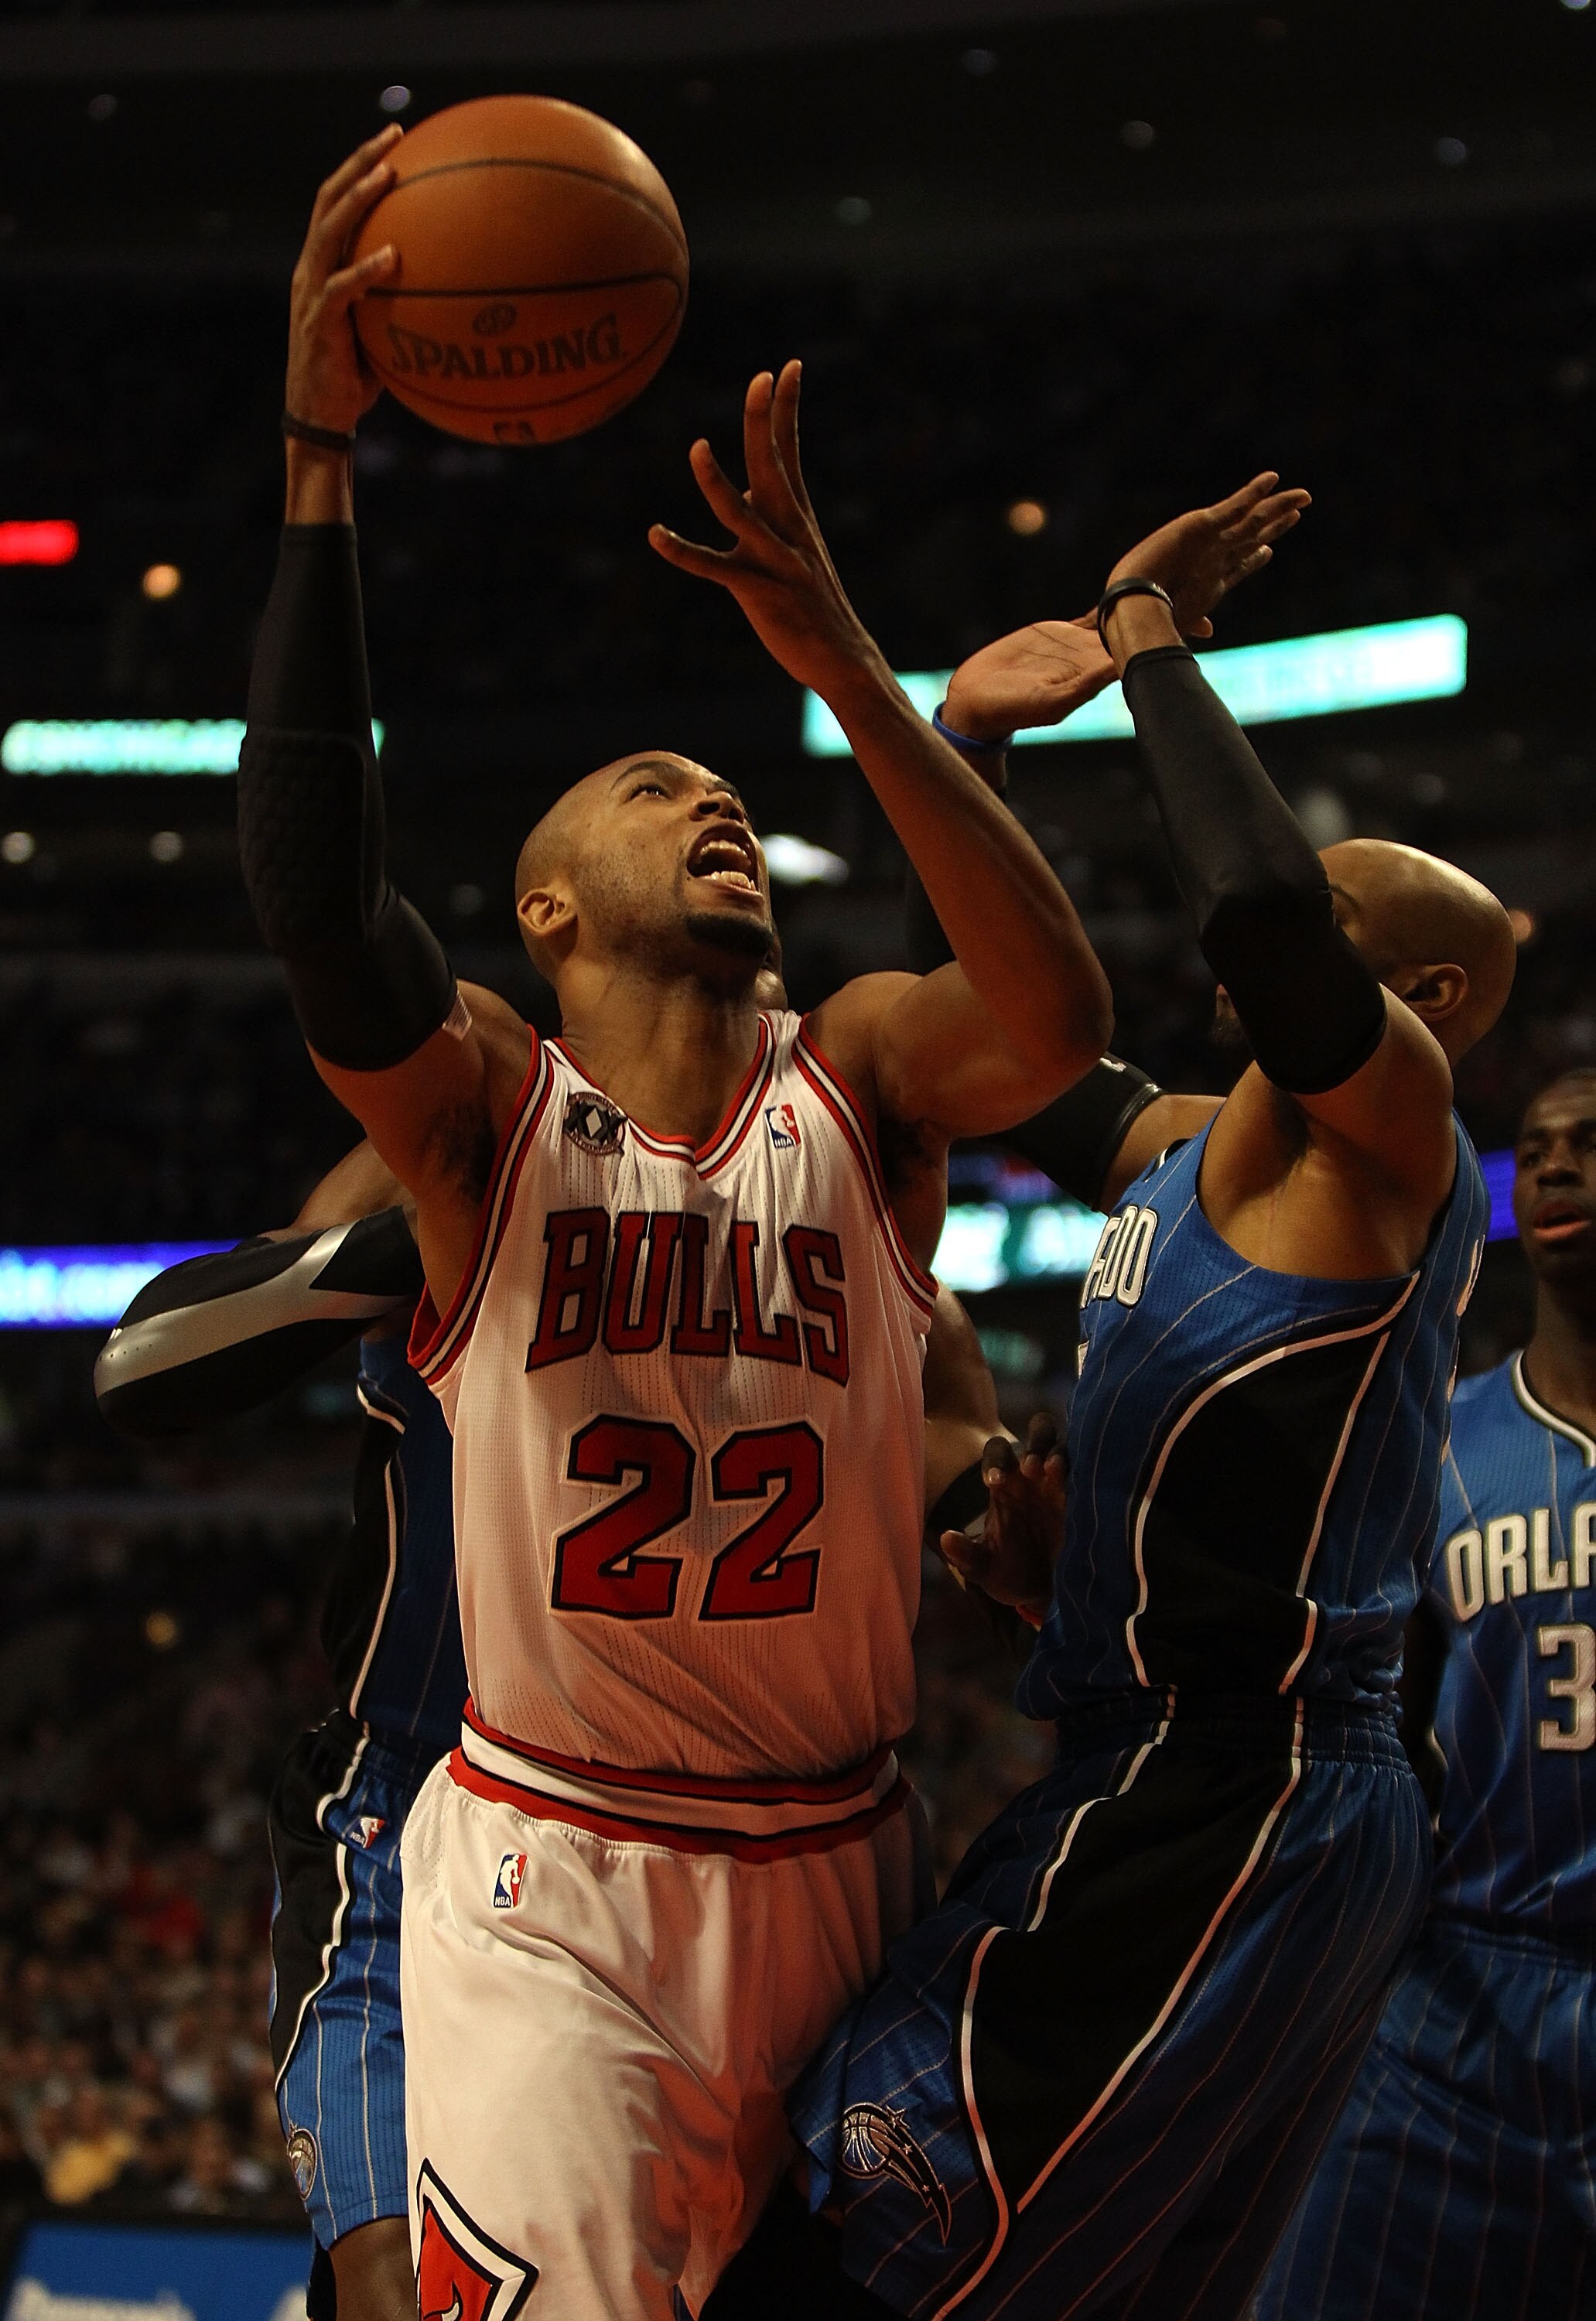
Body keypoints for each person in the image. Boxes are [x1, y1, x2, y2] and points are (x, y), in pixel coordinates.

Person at [227, 124, 1121, 2321]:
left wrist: (850, 671)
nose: (710, 801)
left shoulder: (872, 1071)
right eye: (655, 796)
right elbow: (324, 905)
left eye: (727, 795)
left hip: (845, 1859)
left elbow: (1060, 1010)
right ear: (543, 912)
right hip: (562, 1875)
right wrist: (319, 466)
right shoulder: (484, 1112)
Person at [708, 486, 1516, 2320]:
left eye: (1343, 904)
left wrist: (1147, 630)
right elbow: (1011, 1023)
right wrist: (965, 732)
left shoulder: (1388, 1148)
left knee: (868, 2243)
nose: (1295, 907)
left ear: (1436, 990)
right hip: (1152, 1769)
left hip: (1255, 1788)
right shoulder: (1171, 1149)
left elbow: (1248, 895)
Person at [97, 1116, 1007, 2321]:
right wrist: (430, 1238)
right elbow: (146, 1362)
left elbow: (966, 1466)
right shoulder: (473, 1136)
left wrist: (1000, 1503)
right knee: (393, 2288)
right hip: (416, 1804)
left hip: (740, 1841)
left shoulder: (820, 1165)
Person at [1252, 1065, 1596, 2321]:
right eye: (1540, 1147)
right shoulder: (1439, 1441)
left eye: (1592, 1142)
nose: (1557, 1166)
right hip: (1463, 2000)